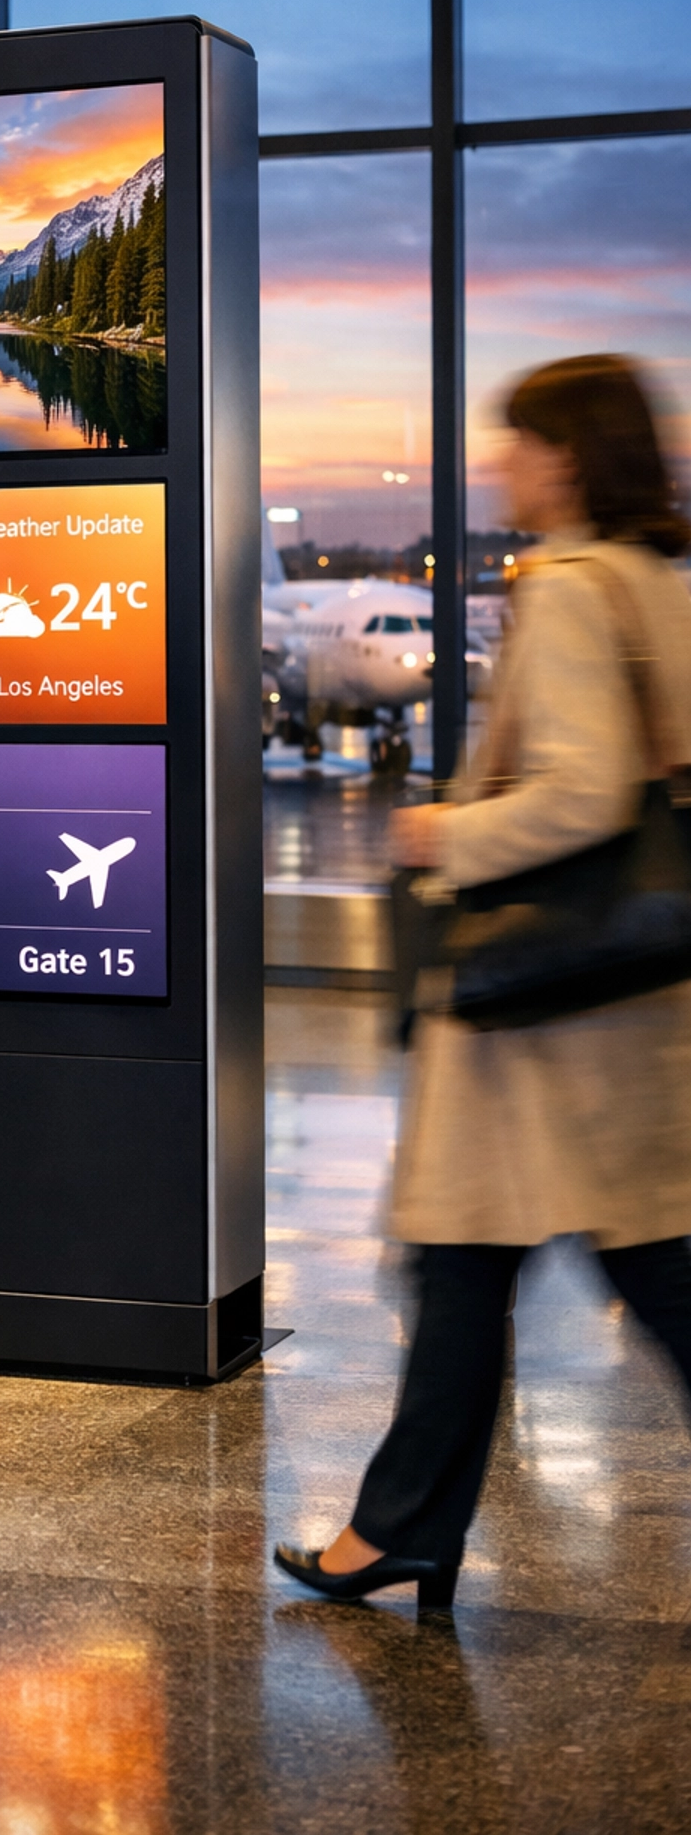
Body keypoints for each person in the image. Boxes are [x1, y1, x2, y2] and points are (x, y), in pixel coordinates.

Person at [277, 354, 691, 1612]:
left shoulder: (568, 592)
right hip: (625, 999)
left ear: (567, 455)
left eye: (515, 443)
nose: (498, 467)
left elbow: (581, 789)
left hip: (546, 1004)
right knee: (465, 1266)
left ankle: (399, 1532)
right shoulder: (658, 586)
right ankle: (398, 1530)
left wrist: (442, 836)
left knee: (599, 1269)